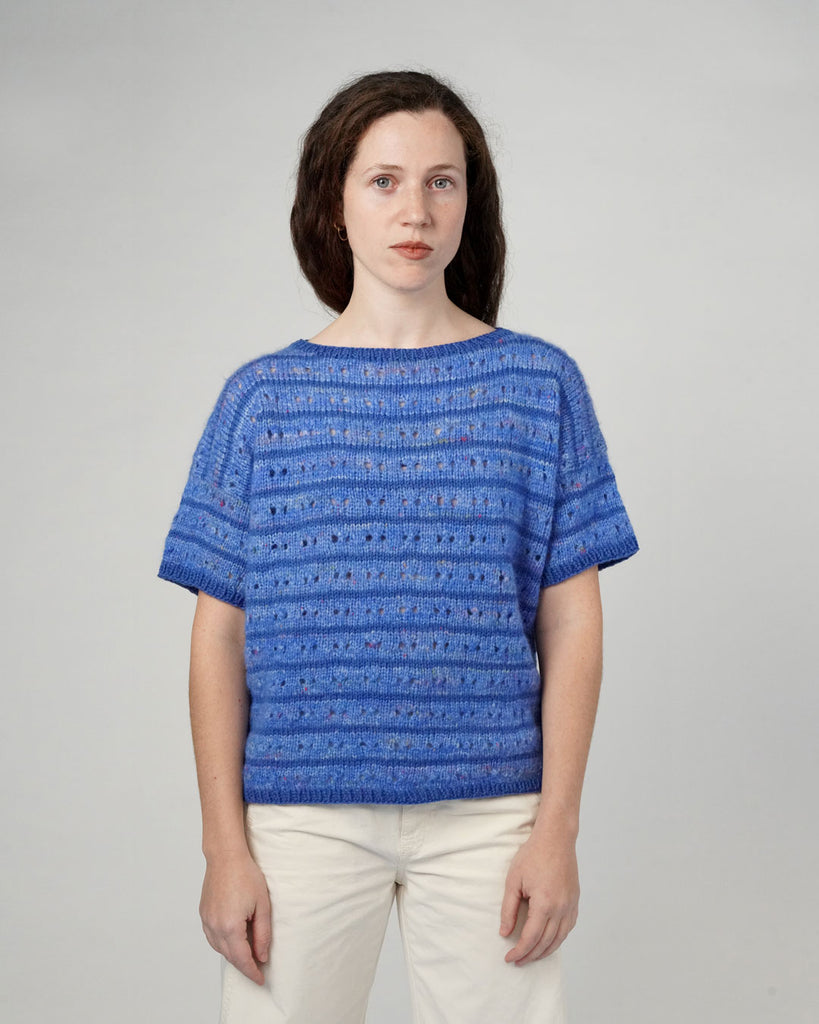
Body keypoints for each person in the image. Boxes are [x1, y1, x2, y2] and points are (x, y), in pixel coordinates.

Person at [157, 69, 639, 1024]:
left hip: (491, 814)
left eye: (440, 181)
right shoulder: (262, 398)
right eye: (383, 181)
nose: (414, 210)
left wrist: (556, 830)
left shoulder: (538, 385)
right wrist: (223, 847)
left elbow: (572, 625)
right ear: (333, 204)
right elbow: (218, 638)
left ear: (470, 202)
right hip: (299, 815)